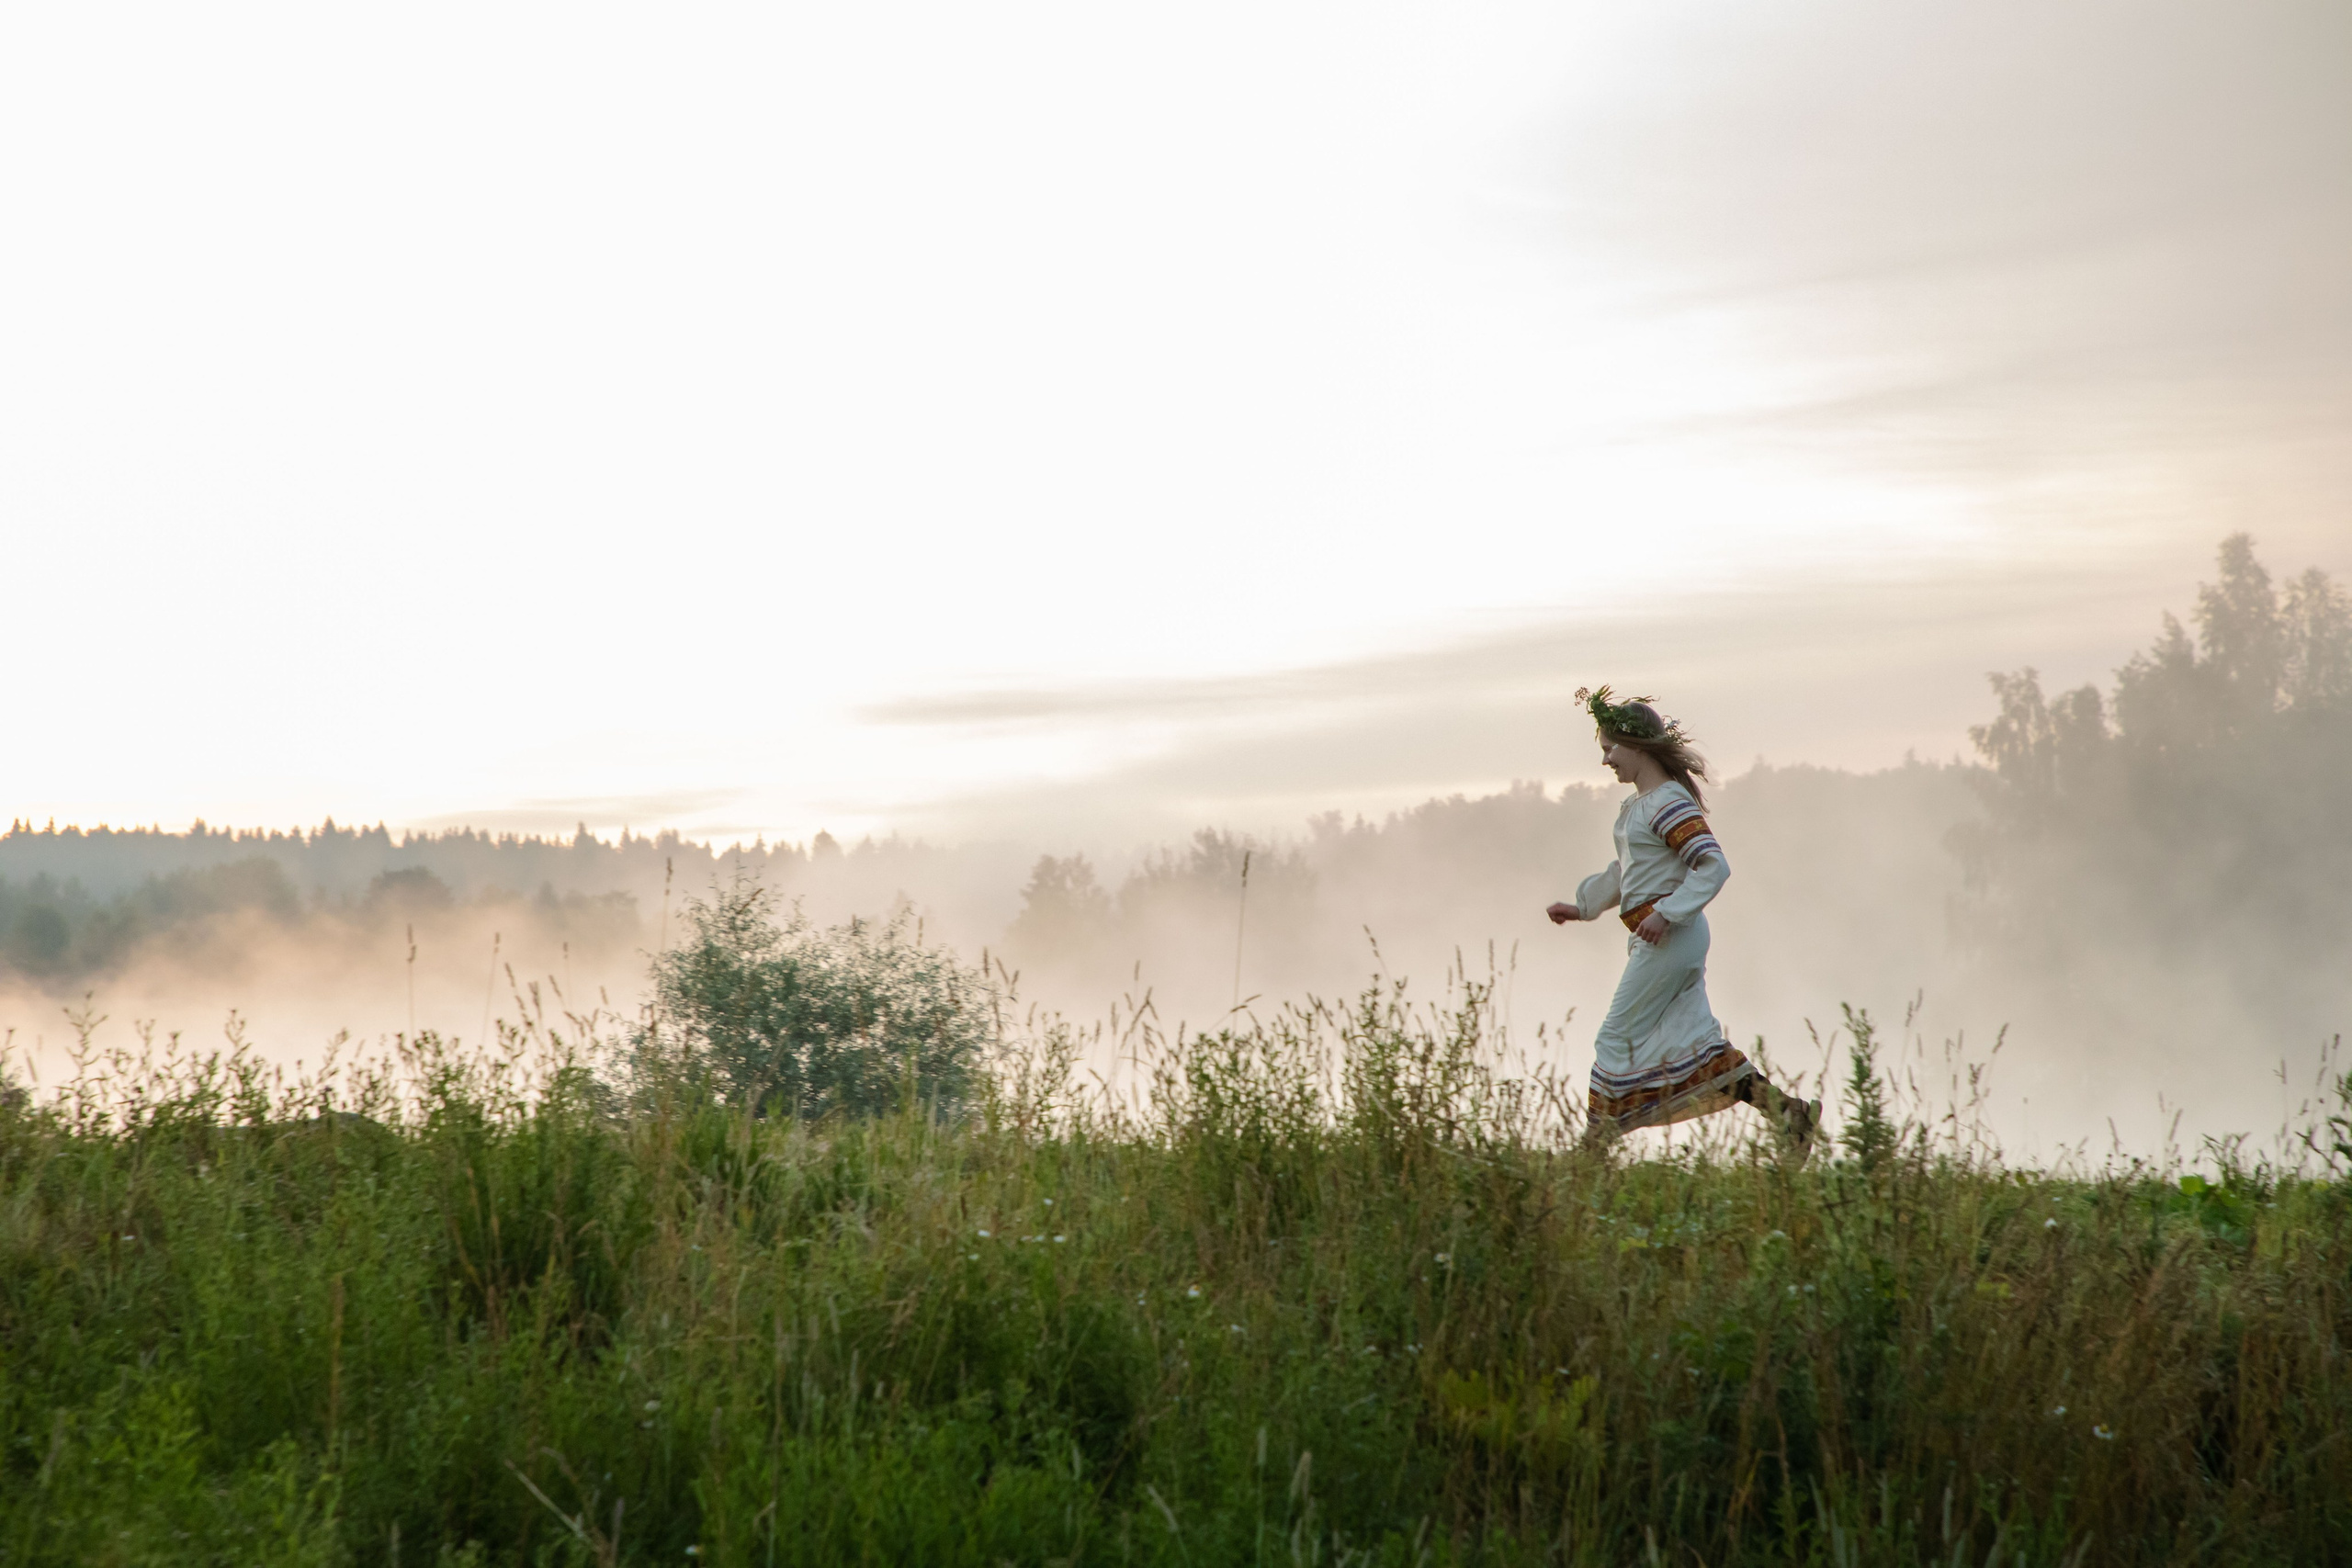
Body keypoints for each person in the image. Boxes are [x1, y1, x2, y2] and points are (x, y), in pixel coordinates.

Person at [1545, 686, 1818, 1152]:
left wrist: (1668, 915)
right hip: (1663, 938)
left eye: (1611, 749)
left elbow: (1713, 864)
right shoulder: (1638, 807)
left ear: (1639, 747)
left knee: (1615, 1038)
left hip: (1672, 938)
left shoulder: (1668, 801)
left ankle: (1590, 1154)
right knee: (1696, 1044)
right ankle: (1788, 1113)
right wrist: (1584, 908)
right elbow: (1627, 872)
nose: (1606, 760)